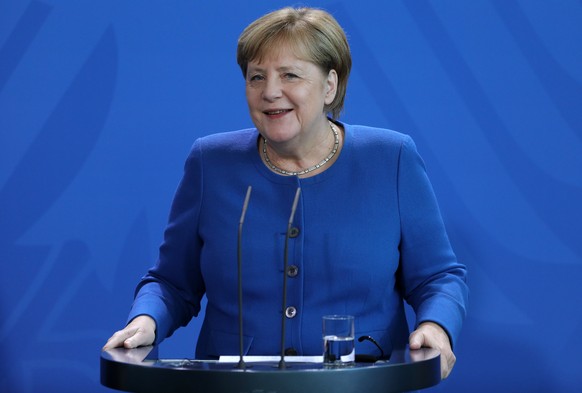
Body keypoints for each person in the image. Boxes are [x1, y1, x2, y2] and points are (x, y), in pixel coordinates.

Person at [103, 6, 468, 379]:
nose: (270, 92)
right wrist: (146, 320)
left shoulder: (391, 158)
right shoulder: (210, 162)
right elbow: (172, 282)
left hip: (363, 383)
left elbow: (437, 277)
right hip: (232, 387)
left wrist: (437, 326)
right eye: (256, 77)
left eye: (290, 75)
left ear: (330, 85)